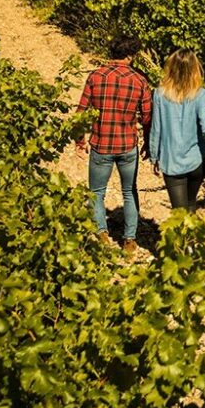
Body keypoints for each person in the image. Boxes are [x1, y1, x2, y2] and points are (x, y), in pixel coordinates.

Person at [76, 34, 152, 255]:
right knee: (129, 191)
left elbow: (81, 113)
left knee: (97, 191)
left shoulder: (95, 76)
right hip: (127, 145)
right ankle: (129, 239)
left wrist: (80, 139)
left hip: (101, 143)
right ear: (131, 55)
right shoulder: (140, 81)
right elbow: (147, 117)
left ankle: (101, 233)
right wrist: (147, 142)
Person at [148, 49, 205, 211]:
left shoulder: (160, 94)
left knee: (179, 213)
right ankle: (192, 235)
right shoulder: (201, 95)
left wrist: (154, 156)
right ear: (195, 69)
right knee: (190, 204)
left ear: (171, 68)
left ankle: (182, 236)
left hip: (171, 161)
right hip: (196, 160)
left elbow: (156, 128)